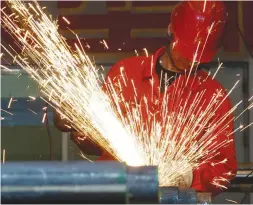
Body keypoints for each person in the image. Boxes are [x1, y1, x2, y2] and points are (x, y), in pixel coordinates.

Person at [54, 1, 237, 195]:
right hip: (117, 194)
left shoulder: (213, 97)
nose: (191, 59)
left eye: (198, 55)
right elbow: (99, 146)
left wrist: (190, 176)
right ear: (170, 30)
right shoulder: (124, 73)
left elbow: (223, 168)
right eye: (186, 50)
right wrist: (79, 127)